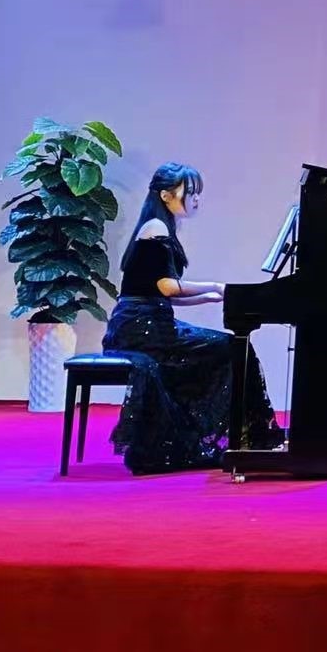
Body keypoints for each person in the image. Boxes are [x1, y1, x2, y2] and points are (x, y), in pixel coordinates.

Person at [102, 163, 283, 475]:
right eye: (191, 192)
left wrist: (208, 297)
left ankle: (245, 436)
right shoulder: (156, 228)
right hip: (141, 329)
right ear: (166, 195)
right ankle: (249, 436)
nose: (196, 199)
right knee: (231, 348)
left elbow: (159, 293)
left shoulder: (160, 226)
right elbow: (167, 287)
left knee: (227, 346)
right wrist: (215, 286)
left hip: (148, 321)